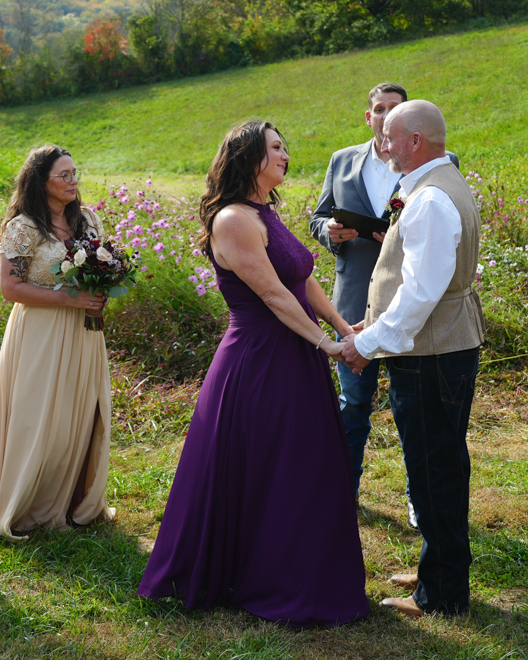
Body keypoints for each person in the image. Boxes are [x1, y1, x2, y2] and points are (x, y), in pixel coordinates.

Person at [140, 121, 369, 627]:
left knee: (304, 465)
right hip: (259, 360)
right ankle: (262, 573)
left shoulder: (267, 212)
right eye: (276, 148)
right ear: (249, 158)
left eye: (285, 146)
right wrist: (328, 346)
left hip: (296, 350)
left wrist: (339, 325)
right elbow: (271, 294)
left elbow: (302, 277)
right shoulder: (234, 220)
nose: (286, 155)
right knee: (277, 468)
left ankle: (304, 568)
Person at [340, 100, 485, 618]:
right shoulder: (437, 185)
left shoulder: (428, 200)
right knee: (436, 463)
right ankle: (439, 566)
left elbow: (420, 294)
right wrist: (373, 325)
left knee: (435, 467)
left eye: (390, 137)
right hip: (442, 346)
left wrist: (366, 343)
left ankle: (443, 593)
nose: (383, 145)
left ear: (416, 141)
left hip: (432, 354)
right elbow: (411, 284)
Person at [309, 82, 458, 514]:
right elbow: (319, 216)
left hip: (415, 305)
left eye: (394, 108)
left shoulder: (433, 164)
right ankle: (343, 491)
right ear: (368, 116)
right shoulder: (342, 160)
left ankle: (419, 498)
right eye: (379, 108)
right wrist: (330, 233)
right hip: (355, 297)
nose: (385, 114)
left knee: (415, 407)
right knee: (353, 402)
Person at [0, 145, 115, 537]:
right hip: (40, 334)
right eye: (63, 175)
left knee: (77, 413)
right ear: (40, 181)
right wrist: (71, 298)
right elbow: (10, 288)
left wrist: (99, 296)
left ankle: (69, 501)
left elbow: (98, 269)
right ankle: (25, 503)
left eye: (74, 173)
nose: (73, 181)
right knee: (36, 417)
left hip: (83, 332)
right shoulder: (24, 228)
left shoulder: (87, 221)